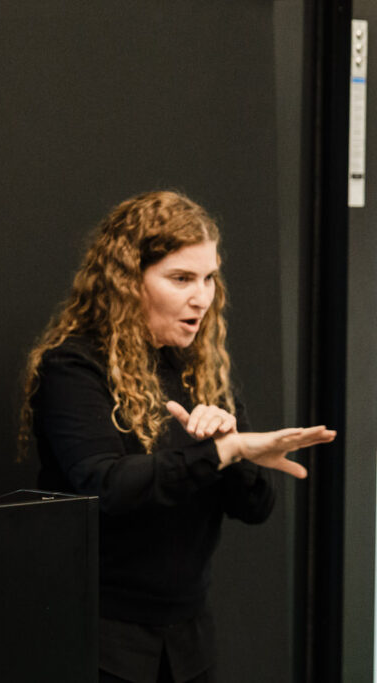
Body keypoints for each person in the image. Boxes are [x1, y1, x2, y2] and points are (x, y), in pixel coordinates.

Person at [19, 190, 334, 683]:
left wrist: (232, 450)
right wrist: (220, 451)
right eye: (181, 278)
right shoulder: (74, 367)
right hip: (100, 639)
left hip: (188, 641)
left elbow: (256, 507)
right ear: (128, 282)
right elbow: (107, 485)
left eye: (209, 277)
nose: (202, 297)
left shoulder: (199, 368)